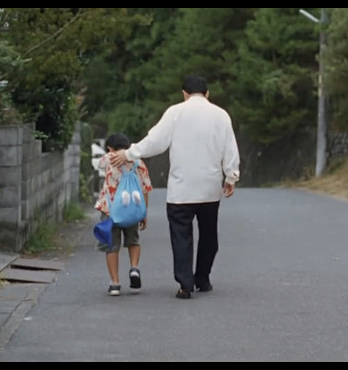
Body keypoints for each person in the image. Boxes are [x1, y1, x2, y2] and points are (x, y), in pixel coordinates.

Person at [110, 74, 240, 299]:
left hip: (181, 189)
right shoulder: (221, 115)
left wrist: (129, 154)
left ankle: (185, 284)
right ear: (207, 94)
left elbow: (155, 141)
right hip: (209, 188)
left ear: (184, 93)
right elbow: (230, 148)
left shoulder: (175, 112)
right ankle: (203, 278)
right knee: (209, 236)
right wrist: (231, 176)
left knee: (181, 237)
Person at [95, 133, 153, 296]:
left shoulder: (108, 159)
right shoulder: (138, 162)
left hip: (110, 210)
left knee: (111, 246)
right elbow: (145, 188)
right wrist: (143, 212)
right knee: (133, 240)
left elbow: (99, 164)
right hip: (132, 209)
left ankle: (115, 283)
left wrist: (110, 153)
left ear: (110, 148)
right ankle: (134, 268)